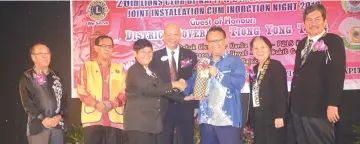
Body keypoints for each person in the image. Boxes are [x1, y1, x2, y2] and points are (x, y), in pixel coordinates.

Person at [290, 4, 346, 144]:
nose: (313, 23)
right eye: (309, 20)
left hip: (319, 108)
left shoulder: (333, 41)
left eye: (317, 19)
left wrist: (333, 104)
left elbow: (337, 74)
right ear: (304, 23)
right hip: (299, 109)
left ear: (325, 21)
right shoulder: (302, 43)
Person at [184, 26, 246, 144]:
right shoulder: (203, 62)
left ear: (225, 41)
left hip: (227, 121)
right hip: (206, 121)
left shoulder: (235, 61)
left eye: (218, 40)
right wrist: (183, 85)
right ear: (207, 43)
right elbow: (193, 82)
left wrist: (217, 74)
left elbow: (238, 83)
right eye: (211, 41)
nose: (215, 44)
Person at [124, 38, 190, 144]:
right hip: (139, 125)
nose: (147, 54)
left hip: (151, 124)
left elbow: (162, 90)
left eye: (149, 51)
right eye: (143, 51)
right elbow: (150, 90)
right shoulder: (134, 70)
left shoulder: (151, 71)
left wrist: (185, 98)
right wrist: (174, 84)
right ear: (135, 53)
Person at [150, 24, 198, 144]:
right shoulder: (154, 57)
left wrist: (196, 105)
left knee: (186, 140)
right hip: (163, 106)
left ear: (180, 36)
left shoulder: (190, 55)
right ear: (163, 37)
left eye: (175, 34)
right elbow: (153, 84)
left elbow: (196, 79)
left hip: (186, 105)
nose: (172, 37)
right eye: (169, 35)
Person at [77, 35, 126, 144]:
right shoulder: (87, 67)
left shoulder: (120, 69)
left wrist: (112, 104)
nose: (107, 49)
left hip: (114, 120)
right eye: (104, 46)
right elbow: (81, 91)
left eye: (110, 46)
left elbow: (125, 92)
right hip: (93, 120)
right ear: (96, 48)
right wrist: (96, 104)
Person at [19, 43, 67, 144]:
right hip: (38, 128)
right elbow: (27, 103)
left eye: (47, 53)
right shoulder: (28, 77)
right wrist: (43, 119)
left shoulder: (56, 76)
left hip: (57, 126)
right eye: (41, 53)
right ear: (33, 57)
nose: (45, 56)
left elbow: (64, 100)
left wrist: (59, 116)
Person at [248, 36, 288, 144]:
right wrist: (252, 118)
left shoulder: (275, 66)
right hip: (259, 116)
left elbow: (281, 92)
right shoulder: (254, 69)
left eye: (263, 47)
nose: (259, 51)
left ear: (269, 49)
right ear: (251, 51)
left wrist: (280, 115)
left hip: (273, 117)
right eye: (255, 48)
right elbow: (254, 93)